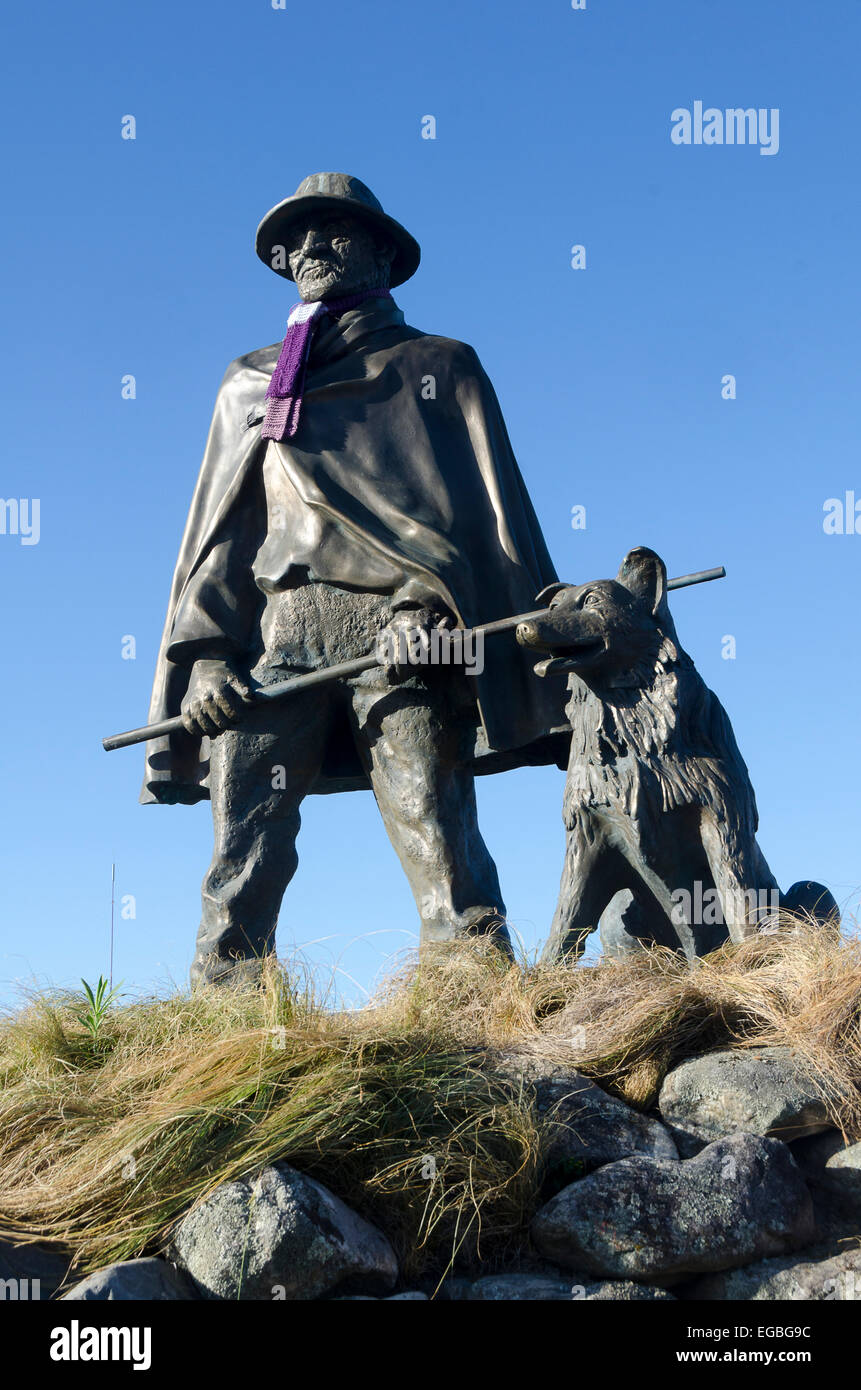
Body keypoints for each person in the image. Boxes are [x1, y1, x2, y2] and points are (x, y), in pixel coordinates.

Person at [142, 172, 568, 985]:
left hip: (405, 633)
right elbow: (219, 537)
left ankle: (474, 1000)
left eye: (332, 232)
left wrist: (431, 607)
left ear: (380, 251)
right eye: (292, 242)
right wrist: (203, 655)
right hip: (284, 632)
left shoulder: (437, 366)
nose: (308, 250)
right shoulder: (250, 384)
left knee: (433, 824)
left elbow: (477, 522)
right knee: (244, 839)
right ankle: (221, 1019)